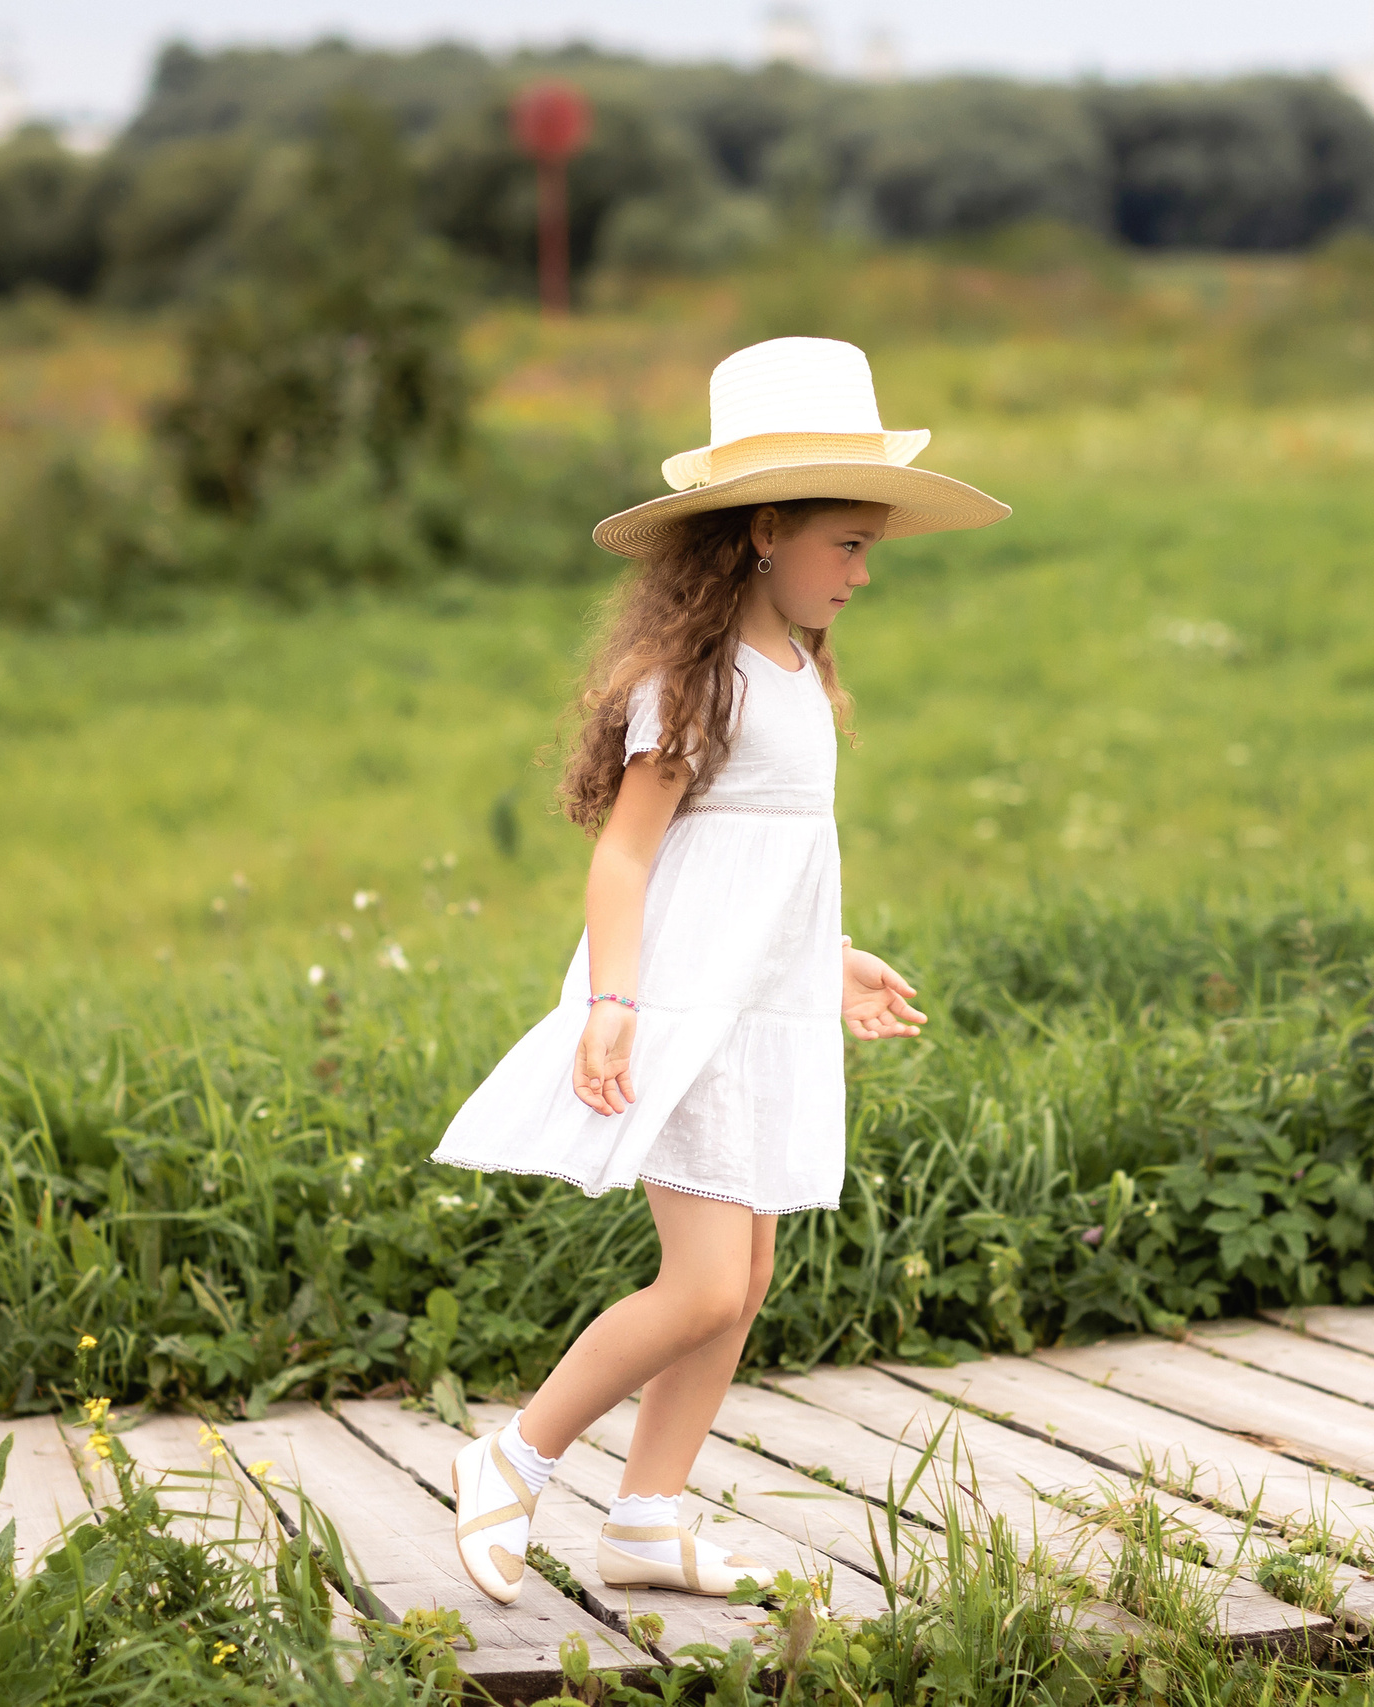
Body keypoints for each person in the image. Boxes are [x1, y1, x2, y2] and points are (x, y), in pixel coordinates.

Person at [428, 337, 1009, 1604]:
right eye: (846, 543)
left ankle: (646, 1518)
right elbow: (627, 863)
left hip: (759, 1007)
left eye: (868, 545)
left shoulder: (800, 672)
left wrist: (833, 959)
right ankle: (511, 1456)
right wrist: (611, 1005)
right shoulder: (691, 686)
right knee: (697, 1282)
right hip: (675, 1009)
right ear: (762, 531)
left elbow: (768, 861)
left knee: (745, 1276)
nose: (864, 571)